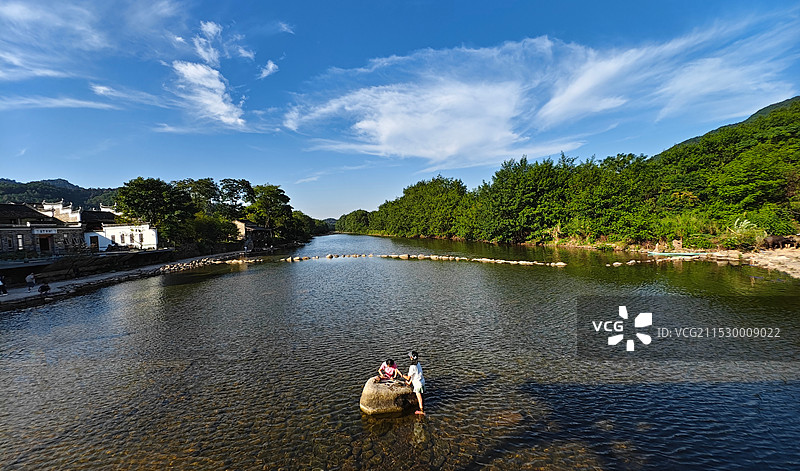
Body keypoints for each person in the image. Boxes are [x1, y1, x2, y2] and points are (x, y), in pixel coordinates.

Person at [402, 351, 426, 415]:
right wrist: (409, 383)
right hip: (422, 381)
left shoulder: (412, 367)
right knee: (421, 395)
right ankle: (422, 406)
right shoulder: (418, 363)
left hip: (418, 384)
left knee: (419, 397)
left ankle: (421, 410)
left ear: (411, 358)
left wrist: (402, 375)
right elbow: (415, 375)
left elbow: (408, 377)